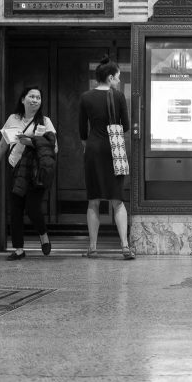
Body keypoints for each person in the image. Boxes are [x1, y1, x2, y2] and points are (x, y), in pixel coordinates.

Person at [0, 86, 56, 260]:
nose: (35, 100)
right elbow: (3, 145)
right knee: (16, 209)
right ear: (23, 99)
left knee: (33, 208)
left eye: (38, 97)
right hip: (15, 167)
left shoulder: (45, 122)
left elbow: (54, 147)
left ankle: (43, 235)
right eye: (31, 96)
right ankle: (18, 249)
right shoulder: (13, 119)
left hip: (35, 170)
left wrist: (31, 142)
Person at [79, 56, 134, 260]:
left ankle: (93, 247)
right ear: (110, 77)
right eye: (118, 77)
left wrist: (89, 143)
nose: (119, 81)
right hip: (114, 151)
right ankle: (125, 246)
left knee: (93, 201)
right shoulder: (118, 96)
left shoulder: (85, 97)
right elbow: (126, 126)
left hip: (93, 149)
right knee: (117, 200)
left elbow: (81, 130)